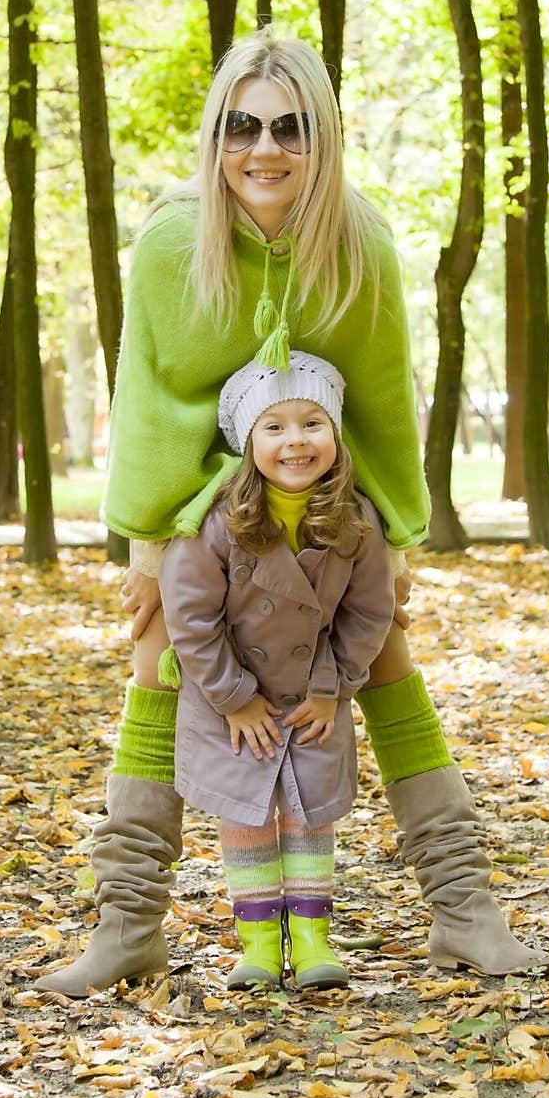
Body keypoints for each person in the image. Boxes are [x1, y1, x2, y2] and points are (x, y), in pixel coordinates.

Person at [35, 25, 549, 998]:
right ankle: (127, 922)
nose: (263, 149)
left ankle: (461, 905)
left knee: (386, 665)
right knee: (155, 674)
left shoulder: (358, 241)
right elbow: (147, 400)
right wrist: (149, 548)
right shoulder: (168, 244)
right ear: (216, 136)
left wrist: (394, 538)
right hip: (204, 515)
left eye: (288, 128)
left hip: (327, 517)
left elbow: (385, 398)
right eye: (241, 126)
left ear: (320, 136)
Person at [158, 351, 395, 990]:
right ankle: (260, 943)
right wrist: (234, 698)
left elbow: (369, 613)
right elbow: (190, 617)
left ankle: (314, 937)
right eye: (275, 427)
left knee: (310, 813)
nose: (296, 440)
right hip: (230, 696)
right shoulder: (215, 521)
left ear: (336, 435)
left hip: (314, 693)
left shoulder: (356, 520)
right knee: (248, 815)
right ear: (248, 442)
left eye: (312, 423)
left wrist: (333, 689)